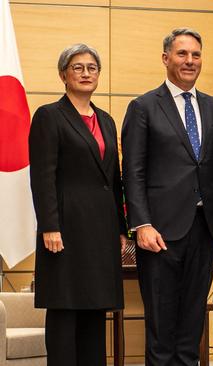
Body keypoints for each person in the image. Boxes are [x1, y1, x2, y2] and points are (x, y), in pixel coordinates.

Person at [121, 28, 213, 365]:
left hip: (205, 229)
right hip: (159, 232)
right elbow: (133, 172)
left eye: (196, 55)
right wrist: (140, 223)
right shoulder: (143, 107)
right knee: (161, 327)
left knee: (191, 325)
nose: (190, 61)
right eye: (182, 54)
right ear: (166, 58)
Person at [29, 44, 126, 366]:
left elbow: (114, 179)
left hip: (101, 230)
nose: (86, 74)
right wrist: (49, 226)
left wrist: (121, 229)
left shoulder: (106, 120)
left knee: (94, 309)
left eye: (92, 68)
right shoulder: (49, 116)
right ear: (63, 75)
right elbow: (43, 177)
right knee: (65, 309)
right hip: (65, 228)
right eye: (78, 67)